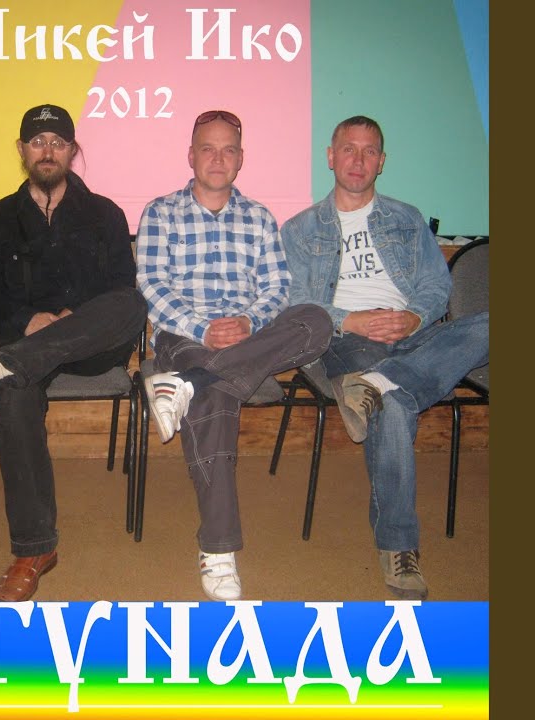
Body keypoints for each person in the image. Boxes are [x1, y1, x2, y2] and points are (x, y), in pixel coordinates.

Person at [0, 104, 147, 602]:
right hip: (21, 340)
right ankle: (33, 552)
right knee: (13, 398)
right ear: (22, 150)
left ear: (73, 151)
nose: (48, 151)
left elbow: (121, 287)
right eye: (37, 142)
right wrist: (28, 321)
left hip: (89, 347)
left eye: (58, 142)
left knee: (131, 304)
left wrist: (72, 318)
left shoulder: (106, 215)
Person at [280, 115, 489, 600]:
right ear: (330, 157)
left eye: (369, 151)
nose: (358, 160)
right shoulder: (300, 229)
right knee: (394, 407)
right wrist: (351, 320)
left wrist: (413, 317)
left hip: (415, 335)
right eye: (348, 149)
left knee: (486, 325)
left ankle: (377, 384)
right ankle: (398, 546)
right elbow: (295, 302)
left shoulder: (407, 218)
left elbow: (436, 286)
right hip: (347, 339)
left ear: (382, 162)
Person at [137, 109, 332, 601]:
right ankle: (218, 548)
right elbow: (152, 286)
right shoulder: (161, 213)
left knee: (316, 320)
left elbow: (277, 289)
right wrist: (204, 328)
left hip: (250, 337)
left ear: (241, 159)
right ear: (191, 155)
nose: (218, 159)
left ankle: (187, 384)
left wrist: (248, 323)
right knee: (216, 399)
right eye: (208, 148)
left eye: (229, 150)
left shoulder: (260, 218)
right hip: (185, 335)